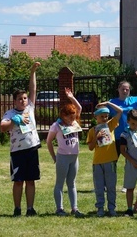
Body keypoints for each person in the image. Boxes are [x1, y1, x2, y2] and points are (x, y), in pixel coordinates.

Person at [0, 62, 41, 217]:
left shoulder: (30, 107)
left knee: (31, 180)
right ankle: (17, 209)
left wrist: (32, 72)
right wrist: (14, 121)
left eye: (24, 98)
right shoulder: (10, 113)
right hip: (17, 152)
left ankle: (30, 209)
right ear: (14, 101)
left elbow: (33, 88)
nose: (23, 100)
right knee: (18, 181)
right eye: (20, 99)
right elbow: (3, 127)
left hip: (32, 149)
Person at [108, 71, 137, 193]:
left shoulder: (134, 100)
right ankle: (110, 185)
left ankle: (126, 185)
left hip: (132, 137)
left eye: (127, 89)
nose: (125, 91)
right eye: (123, 89)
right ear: (118, 89)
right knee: (113, 163)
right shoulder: (112, 102)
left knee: (130, 161)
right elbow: (102, 112)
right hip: (117, 137)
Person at [46, 88, 84, 218]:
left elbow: (79, 108)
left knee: (72, 183)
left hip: (74, 157)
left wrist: (71, 97)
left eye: (73, 117)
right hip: (62, 157)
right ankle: (59, 208)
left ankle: (74, 208)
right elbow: (49, 141)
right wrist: (54, 157)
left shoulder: (74, 122)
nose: (71, 120)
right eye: (69, 117)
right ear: (63, 115)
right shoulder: (56, 126)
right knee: (60, 183)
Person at [87, 102, 123, 217]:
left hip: (110, 160)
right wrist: (96, 137)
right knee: (99, 187)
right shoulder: (92, 130)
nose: (104, 118)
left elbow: (120, 111)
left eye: (106, 116)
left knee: (111, 186)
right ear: (96, 117)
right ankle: (100, 208)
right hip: (97, 162)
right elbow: (91, 147)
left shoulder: (110, 125)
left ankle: (112, 208)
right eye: (101, 116)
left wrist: (108, 103)